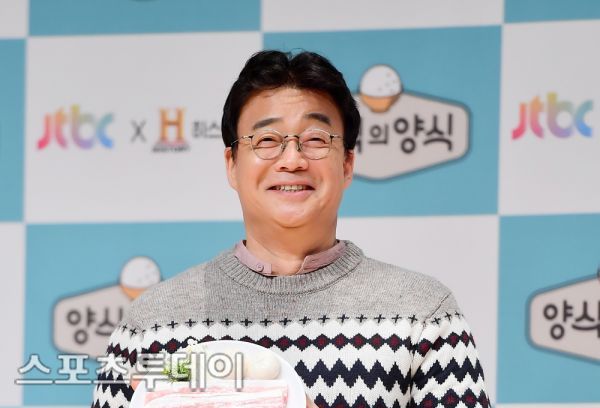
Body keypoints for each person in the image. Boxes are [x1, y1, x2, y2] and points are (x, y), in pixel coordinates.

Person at [92, 50, 490, 408]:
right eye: (267, 139)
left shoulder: (423, 314)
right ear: (232, 164)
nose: (292, 159)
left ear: (347, 164)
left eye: (315, 139)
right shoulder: (152, 324)